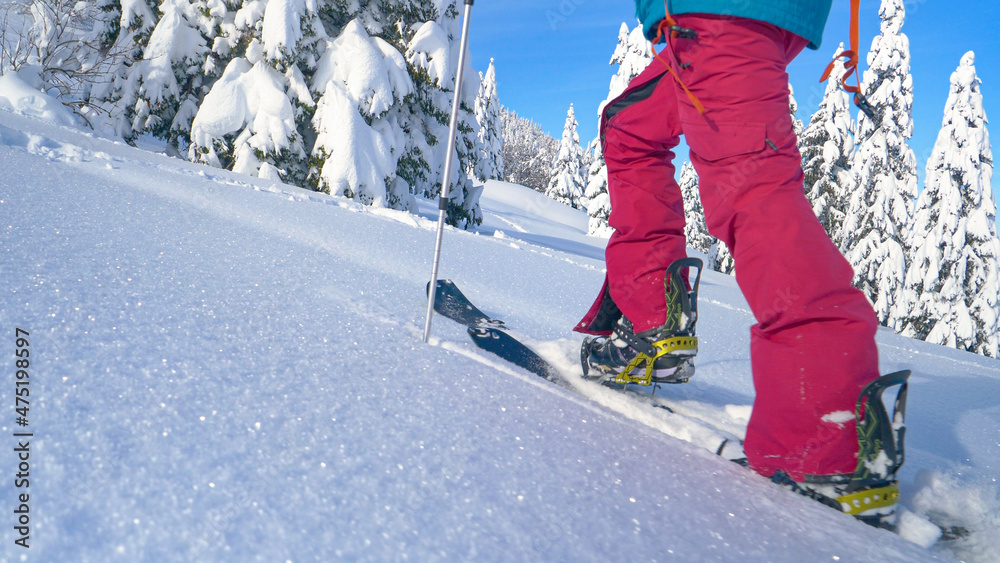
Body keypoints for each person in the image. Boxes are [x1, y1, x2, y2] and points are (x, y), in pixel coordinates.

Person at [576, 1, 907, 528]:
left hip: (721, 13)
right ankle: (654, 324)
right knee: (629, 127)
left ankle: (826, 430)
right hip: (715, 19)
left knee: (752, 189)